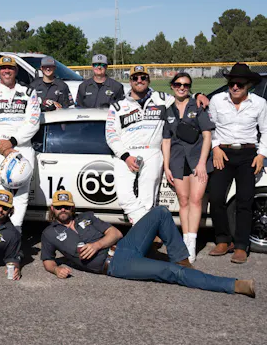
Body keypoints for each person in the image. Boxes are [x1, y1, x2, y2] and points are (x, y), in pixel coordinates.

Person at [40, 191, 255, 298]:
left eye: (66, 206)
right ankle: (234, 285)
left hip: (125, 245)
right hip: (116, 264)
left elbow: (115, 233)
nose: (63, 210)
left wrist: (96, 245)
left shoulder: (86, 217)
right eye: (59, 207)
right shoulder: (49, 234)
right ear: (53, 209)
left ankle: (182, 260)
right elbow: (48, 261)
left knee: (160, 212)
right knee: (171, 272)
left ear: (72, 207)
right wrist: (56, 269)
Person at [105, 65, 209, 225]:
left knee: (148, 201)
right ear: (130, 81)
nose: (139, 80)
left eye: (143, 77)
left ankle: (143, 233)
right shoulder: (118, 106)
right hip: (126, 153)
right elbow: (111, 135)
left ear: (148, 80)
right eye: (135, 78)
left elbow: (181, 96)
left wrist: (198, 95)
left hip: (152, 151)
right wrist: (125, 156)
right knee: (125, 198)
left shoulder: (161, 98)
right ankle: (145, 227)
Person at [207, 63, 267, 264]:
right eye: (232, 83)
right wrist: (215, 147)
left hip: (248, 154)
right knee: (216, 197)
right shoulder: (217, 100)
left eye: (240, 84)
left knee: (245, 200)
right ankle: (223, 240)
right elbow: (211, 127)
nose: (235, 87)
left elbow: (265, 130)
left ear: (248, 84)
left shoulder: (259, 103)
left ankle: (241, 245)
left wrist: (261, 154)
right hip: (222, 153)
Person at [0, 55, 41, 233]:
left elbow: (33, 122)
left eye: (11, 68)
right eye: (3, 68)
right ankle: (0, 231)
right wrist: (2, 147)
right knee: (1, 191)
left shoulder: (29, 92)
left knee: (22, 191)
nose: (7, 71)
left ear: (16, 70)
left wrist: (12, 142)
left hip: (22, 146)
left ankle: (15, 231)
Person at [162, 73, 214, 262]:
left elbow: (207, 136)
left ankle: (192, 241)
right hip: (177, 161)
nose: (182, 87)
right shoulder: (168, 110)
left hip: (197, 160)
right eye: (178, 84)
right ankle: (185, 240)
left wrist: (201, 163)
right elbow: (166, 140)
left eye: (186, 84)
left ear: (190, 87)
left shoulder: (197, 106)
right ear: (172, 86)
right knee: (183, 201)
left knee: (196, 200)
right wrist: (166, 166)